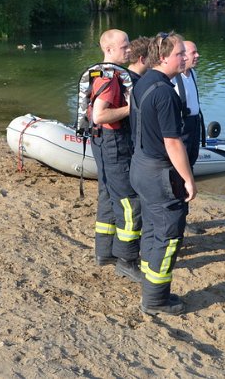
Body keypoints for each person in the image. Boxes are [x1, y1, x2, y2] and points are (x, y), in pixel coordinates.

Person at [129, 32, 196, 315]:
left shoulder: (143, 81)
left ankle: (149, 282)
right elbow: (172, 141)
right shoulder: (165, 93)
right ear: (164, 57)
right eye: (180, 53)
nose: (184, 58)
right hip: (159, 171)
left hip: (140, 165)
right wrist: (188, 178)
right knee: (168, 234)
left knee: (153, 229)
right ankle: (155, 299)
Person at [87, 29, 141, 283]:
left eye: (129, 45)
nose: (129, 50)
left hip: (100, 142)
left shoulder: (101, 72)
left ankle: (104, 252)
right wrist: (131, 109)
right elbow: (100, 115)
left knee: (107, 194)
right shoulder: (110, 79)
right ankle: (127, 260)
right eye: (124, 47)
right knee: (129, 203)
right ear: (109, 50)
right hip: (113, 143)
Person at [174, 40, 204, 171]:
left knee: (192, 158)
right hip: (182, 125)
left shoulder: (193, 74)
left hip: (195, 123)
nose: (198, 55)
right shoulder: (173, 78)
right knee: (181, 161)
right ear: (183, 55)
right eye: (194, 53)